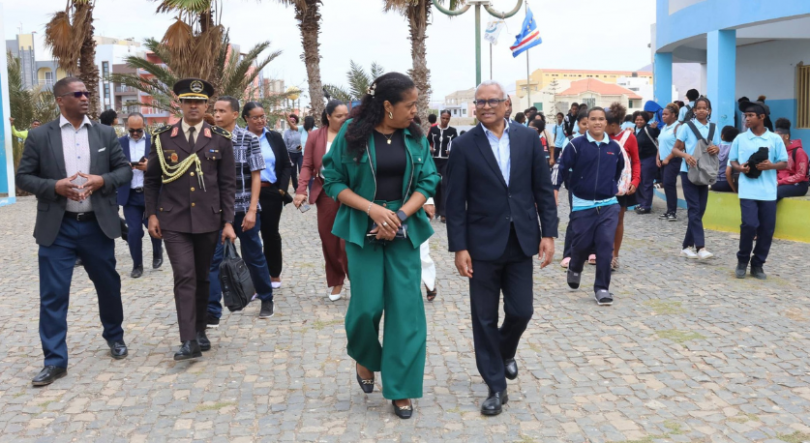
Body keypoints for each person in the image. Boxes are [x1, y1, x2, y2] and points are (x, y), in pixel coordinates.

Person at [321, 72, 439, 419]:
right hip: (362, 229)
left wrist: (398, 216)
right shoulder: (352, 135)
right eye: (410, 105)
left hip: (404, 231)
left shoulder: (416, 137)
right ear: (387, 106)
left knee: (407, 311)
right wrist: (373, 210)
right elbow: (332, 180)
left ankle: (401, 389)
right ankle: (365, 356)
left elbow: (429, 178)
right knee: (366, 307)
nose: (416, 112)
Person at [445, 80, 556, 416]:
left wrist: (548, 234)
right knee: (484, 317)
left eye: (493, 101)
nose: (486, 106)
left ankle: (505, 350)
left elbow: (542, 189)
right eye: (480, 102)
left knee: (522, 311)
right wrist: (459, 247)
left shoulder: (526, 139)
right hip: (481, 244)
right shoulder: (464, 145)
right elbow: (454, 201)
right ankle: (496, 386)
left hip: (522, 239)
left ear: (507, 104)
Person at [16, 76, 133, 385]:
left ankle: (114, 336)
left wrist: (101, 181)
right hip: (58, 228)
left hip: (97, 225)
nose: (84, 97)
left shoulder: (105, 134)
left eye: (87, 93)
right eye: (77, 93)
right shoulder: (40, 136)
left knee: (109, 286)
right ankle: (55, 360)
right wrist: (54, 186)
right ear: (60, 100)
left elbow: (123, 170)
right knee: (53, 295)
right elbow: (24, 177)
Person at [144, 78, 237, 360]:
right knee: (184, 275)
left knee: (202, 277)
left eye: (198, 102)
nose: (193, 106)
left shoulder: (219, 139)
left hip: (208, 219)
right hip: (174, 220)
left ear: (206, 105)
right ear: (180, 105)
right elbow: (151, 180)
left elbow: (227, 184)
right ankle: (188, 340)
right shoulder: (163, 138)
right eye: (188, 101)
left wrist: (229, 221)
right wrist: (151, 214)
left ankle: (200, 330)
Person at [206, 95, 275, 325]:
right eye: (215, 111)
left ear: (234, 114)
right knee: (214, 260)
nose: (216, 115)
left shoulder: (248, 139)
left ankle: (266, 298)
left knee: (253, 255)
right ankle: (213, 311)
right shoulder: (207, 138)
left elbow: (256, 176)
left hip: (243, 208)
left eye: (222, 111)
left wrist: (252, 210)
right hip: (215, 212)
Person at [561, 106, 625, 306]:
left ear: (607, 123)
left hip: (608, 204)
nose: (598, 122)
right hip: (582, 204)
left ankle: (602, 288)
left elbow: (618, 170)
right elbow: (564, 169)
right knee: (581, 244)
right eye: (594, 119)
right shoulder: (575, 145)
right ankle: (575, 267)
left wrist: (609, 187)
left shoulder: (614, 148)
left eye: (601, 119)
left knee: (605, 244)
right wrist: (576, 186)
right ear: (586, 122)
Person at [293, 100, 351, 301]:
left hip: (352, 193)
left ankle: (358, 280)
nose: (344, 119)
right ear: (328, 116)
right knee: (329, 240)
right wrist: (301, 190)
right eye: (339, 116)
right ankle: (336, 281)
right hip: (326, 193)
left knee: (347, 242)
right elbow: (307, 164)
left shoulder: (354, 135)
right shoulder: (315, 136)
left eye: (346, 115)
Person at [729, 101, 788, 279]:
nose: (746, 119)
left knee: (767, 229)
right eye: (745, 116)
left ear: (762, 117)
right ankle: (742, 261)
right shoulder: (740, 138)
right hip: (747, 190)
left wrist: (771, 165)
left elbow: (784, 163)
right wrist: (740, 168)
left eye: (750, 115)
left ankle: (758, 265)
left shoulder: (775, 139)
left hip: (768, 191)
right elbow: (732, 161)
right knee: (749, 225)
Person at [245, 102, 292, 291]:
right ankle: (255, 277)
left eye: (263, 116)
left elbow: (286, 165)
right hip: (247, 193)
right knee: (250, 236)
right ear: (246, 119)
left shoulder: (274, 137)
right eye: (255, 117)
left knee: (271, 235)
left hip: (271, 192)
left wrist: (281, 190)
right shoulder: (241, 138)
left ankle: (274, 274)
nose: (260, 120)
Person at [672, 97, 720, 260]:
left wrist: (716, 148)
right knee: (694, 208)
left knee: (700, 210)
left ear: (709, 111)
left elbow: (719, 146)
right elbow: (675, 149)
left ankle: (686, 246)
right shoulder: (686, 127)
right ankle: (701, 247)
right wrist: (686, 155)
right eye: (698, 108)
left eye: (704, 108)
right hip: (688, 172)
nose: (701, 110)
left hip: (705, 172)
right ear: (693, 111)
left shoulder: (714, 127)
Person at [116, 112, 163, 278]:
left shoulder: (155, 142)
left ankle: (158, 252)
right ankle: (137, 265)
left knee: (154, 228)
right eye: (132, 130)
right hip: (130, 196)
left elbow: (165, 166)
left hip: (151, 195)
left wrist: (149, 167)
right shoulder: (119, 143)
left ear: (144, 126)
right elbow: (112, 166)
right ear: (127, 127)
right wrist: (124, 167)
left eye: (138, 130)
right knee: (134, 232)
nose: (135, 133)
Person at [604, 103, 640, 271]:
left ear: (613, 124)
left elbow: (636, 161)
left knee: (618, 220)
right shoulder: (602, 137)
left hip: (621, 187)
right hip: (602, 185)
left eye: (605, 124)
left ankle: (614, 256)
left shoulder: (629, 137)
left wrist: (635, 181)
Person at [557, 111, 590, 268]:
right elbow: (563, 165)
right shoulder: (571, 140)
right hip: (575, 181)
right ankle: (569, 253)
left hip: (595, 183)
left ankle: (592, 251)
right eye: (584, 123)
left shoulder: (601, 141)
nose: (587, 126)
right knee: (576, 216)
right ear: (578, 124)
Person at [428, 110, 458, 223]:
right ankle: (436, 209)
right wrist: (430, 149)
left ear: (449, 119)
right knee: (436, 184)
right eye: (443, 118)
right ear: (440, 117)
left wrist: (451, 151)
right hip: (435, 161)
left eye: (447, 118)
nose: (445, 120)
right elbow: (427, 142)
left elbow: (456, 145)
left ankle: (443, 213)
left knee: (445, 185)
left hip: (446, 161)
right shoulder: (433, 130)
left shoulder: (452, 131)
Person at [657, 103, 683, 221]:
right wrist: (658, 157)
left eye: (666, 114)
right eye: (662, 114)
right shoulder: (664, 127)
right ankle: (668, 210)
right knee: (666, 186)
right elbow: (660, 144)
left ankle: (672, 211)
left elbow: (681, 146)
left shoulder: (678, 127)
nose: (663, 116)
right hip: (663, 161)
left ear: (674, 115)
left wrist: (668, 158)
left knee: (669, 184)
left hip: (673, 160)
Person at [633, 110, 661, 214]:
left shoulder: (649, 128)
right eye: (637, 119)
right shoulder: (636, 130)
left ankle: (646, 205)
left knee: (647, 182)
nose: (638, 121)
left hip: (649, 158)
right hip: (639, 159)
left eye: (641, 119)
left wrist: (656, 128)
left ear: (645, 120)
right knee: (639, 181)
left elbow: (656, 134)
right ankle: (641, 203)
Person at [775, 118, 809, 199]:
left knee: (775, 193)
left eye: (777, 137)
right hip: (781, 182)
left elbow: (800, 175)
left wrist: (779, 182)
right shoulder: (777, 152)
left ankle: (767, 212)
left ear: (786, 136)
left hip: (799, 185)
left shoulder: (799, 152)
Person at [711, 126, 739, 193]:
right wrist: (734, 189)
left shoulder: (715, 148)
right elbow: (728, 173)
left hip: (714, 183)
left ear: (722, 135)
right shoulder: (735, 149)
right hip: (728, 183)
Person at [421, 198, 438, 301]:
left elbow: (424, 182)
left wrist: (428, 202)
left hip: (417, 205)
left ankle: (429, 284)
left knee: (422, 252)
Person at [284, 114, 303, 191]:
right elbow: (285, 144)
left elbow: (304, 142)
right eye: (291, 121)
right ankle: (296, 187)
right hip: (291, 154)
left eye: (294, 121)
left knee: (302, 170)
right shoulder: (286, 133)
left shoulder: (300, 130)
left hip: (300, 154)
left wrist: (299, 148)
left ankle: (302, 187)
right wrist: (287, 155)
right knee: (293, 173)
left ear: (296, 122)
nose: (292, 123)